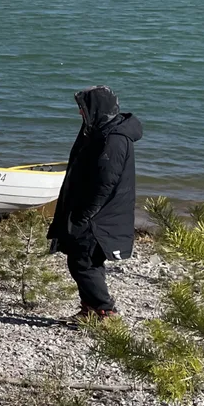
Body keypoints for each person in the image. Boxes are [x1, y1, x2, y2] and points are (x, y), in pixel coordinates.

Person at [48, 85, 144, 318]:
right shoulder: (99, 130)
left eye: (83, 108)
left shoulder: (114, 138)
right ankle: (91, 309)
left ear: (97, 108)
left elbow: (105, 183)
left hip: (99, 216)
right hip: (93, 211)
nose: (81, 113)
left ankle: (105, 310)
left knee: (82, 262)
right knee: (88, 261)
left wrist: (84, 215)